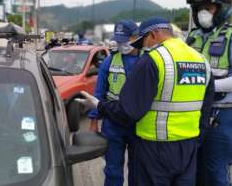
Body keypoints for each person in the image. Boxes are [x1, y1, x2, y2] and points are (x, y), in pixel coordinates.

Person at [77, 17, 215, 186]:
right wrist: (196, 141)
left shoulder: (153, 60)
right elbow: (206, 107)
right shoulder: (201, 60)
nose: (144, 46)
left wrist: (99, 106)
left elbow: (129, 111)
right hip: (188, 147)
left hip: (154, 146)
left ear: (153, 34)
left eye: (143, 41)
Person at [186, 0, 232, 185]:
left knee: (215, 173)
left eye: (209, 7)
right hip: (194, 114)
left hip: (221, 115)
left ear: (222, 8)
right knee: (193, 171)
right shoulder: (192, 37)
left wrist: (210, 86)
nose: (203, 12)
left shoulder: (231, 36)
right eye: (199, 8)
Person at [88, 20, 139, 186]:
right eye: (119, 40)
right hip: (113, 123)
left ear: (136, 37)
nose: (121, 44)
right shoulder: (110, 62)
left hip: (139, 123)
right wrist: (94, 121)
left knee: (138, 169)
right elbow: (99, 93)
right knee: (112, 169)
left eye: (125, 39)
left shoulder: (148, 59)